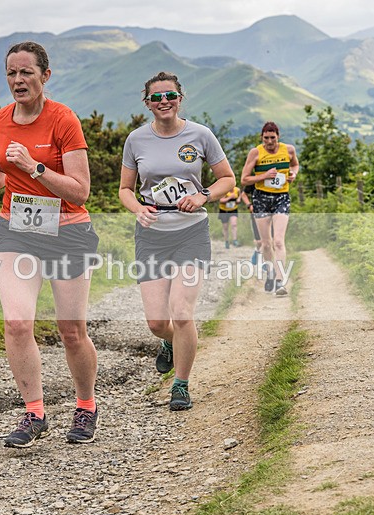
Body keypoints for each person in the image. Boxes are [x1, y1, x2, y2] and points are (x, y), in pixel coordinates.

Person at [0, 41, 100, 448]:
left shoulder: (64, 120)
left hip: (67, 230)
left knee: (71, 330)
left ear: (45, 75)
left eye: (26, 72)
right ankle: (34, 413)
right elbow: (1, 174)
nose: (18, 80)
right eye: (11, 72)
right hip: (17, 229)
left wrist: (35, 166)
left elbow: (80, 191)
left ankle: (85, 406)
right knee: (17, 323)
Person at [119, 71, 236, 411]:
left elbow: (227, 179)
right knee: (158, 323)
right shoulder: (136, 140)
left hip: (191, 232)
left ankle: (181, 385)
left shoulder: (201, 135)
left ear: (180, 98)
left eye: (170, 95)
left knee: (182, 312)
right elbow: (125, 189)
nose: (164, 101)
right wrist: (137, 209)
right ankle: (170, 342)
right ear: (147, 103)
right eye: (156, 97)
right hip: (151, 235)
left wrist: (202, 196)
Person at [240, 121, 299, 296]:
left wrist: (293, 174)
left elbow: (295, 165)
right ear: (261, 137)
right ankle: (270, 273)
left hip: (281, 197)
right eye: (266, 138)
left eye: (272, 138)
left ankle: (280, 282)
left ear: (278, 137)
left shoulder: (289, 150)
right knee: (266, 244)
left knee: (279, 241)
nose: (270, 141)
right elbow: (244, 179)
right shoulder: (256, 152)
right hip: (261, 199)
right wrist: (264, 176)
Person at [240, 184, 262, 265]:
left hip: (271, 212)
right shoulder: (255, 181)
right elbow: (243, 194)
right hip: (256, 212)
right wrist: (249, 205)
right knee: (259, 241)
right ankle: (257, 250)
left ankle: (265, 261)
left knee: (270, 240)